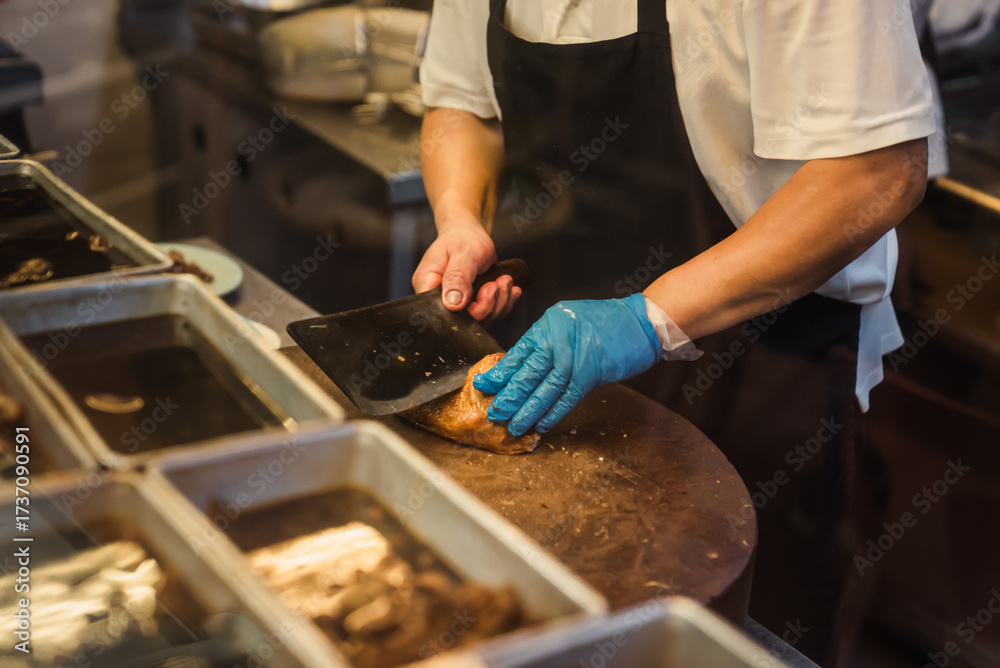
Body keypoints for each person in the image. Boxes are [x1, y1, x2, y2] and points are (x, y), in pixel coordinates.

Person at [413, 2, 936, 662]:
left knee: (733, 628)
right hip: (548, 353)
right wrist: (462, 218)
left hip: (761, 360)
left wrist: (646, 317)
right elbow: (463, 106)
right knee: (539, 615)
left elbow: (875, 170)